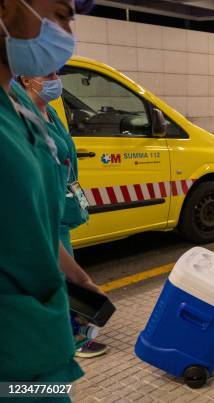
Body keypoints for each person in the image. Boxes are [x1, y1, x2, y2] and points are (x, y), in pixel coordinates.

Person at [0, 0, 92, 386]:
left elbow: (24, 217)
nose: (67, 35)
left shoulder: (16, 102)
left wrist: (73, 275)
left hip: (39, 345)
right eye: (59, 15)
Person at [14, 73, 108, 358]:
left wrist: (77, 199)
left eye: (57, 73)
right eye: (48, 74)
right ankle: (71, 338)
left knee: (65, 273)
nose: (56, 79)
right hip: (43, 215)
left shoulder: (50, 111)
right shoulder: (23, 120)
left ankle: (71, 334)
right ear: (27, 78)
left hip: (61, 206)